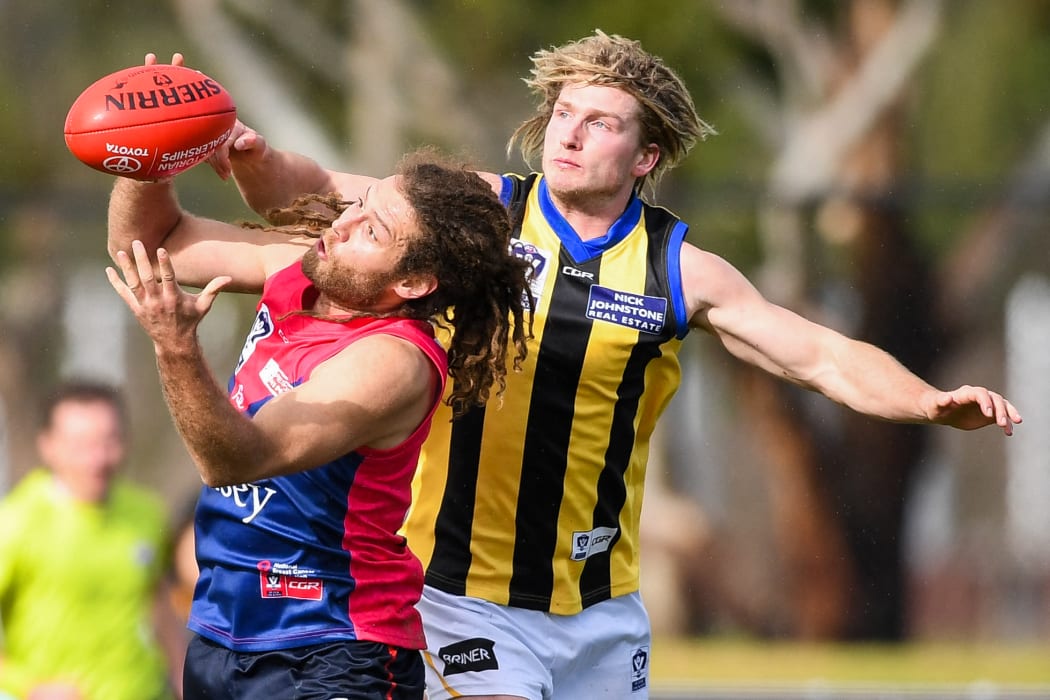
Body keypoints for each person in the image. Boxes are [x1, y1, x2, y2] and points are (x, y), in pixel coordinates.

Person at [204, 30, 1022, 700]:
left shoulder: (677, 270)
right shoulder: (476, 217)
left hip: (602, 611)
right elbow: (309, 193)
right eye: (564, 112)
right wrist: (248, 156)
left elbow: (818, 354)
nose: (569, 132)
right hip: (459, 596)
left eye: (601, 121)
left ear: (646, 156)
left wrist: (925, 401)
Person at [105, 143, 532, 700]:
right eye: (361, 204)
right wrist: (151, 153)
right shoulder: (307, 270)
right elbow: (149, 246)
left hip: (332, 649)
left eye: (373, 231)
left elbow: (234, 460)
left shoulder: (393, 360)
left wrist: (177, 347)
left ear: (412, 283)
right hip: (221, 630)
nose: (344, 222)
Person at [0, 380, 185, 700]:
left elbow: (160, 606)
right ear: (47, 445)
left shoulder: (146, 513)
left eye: (108, 441)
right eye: (81, 444)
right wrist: (25, 686)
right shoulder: (15, 521)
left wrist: (184, 680)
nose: (97, 458)